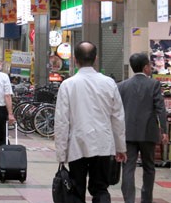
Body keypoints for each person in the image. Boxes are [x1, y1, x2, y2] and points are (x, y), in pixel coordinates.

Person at [54, 41, 127, 203]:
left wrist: (61, 152)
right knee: (101, 188)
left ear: (75, 59)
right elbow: (118, 118)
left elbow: (61, 121)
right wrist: (120, 147)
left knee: (76, 189)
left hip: (77, 144)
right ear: (96, 59)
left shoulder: (67, 85)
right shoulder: (109, 83)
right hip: (103, 144)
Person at [117, 53, 169, 203]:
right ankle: (146, 199)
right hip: (148, 133)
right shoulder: (153, 84)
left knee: (128, 167)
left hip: (128, 133)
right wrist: (164, 131)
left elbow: (117, 111)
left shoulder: (122, 85)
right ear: (146, 67)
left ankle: (129, 200)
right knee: (149, 167)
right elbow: (160, 109)